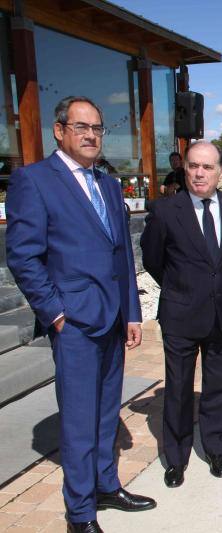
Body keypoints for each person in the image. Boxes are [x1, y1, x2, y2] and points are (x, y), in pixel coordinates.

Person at [5, 96, 155, 532]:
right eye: (81, 126)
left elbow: (122, 255)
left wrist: (131, 311)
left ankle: (106, 486)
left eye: (97, 128)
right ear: (59, 130)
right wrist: (55, 313)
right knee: (77, 420)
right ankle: (80, 513)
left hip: (112, 318)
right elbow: (23, 257)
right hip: (73, 322)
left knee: (108, 410)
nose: (90, 135)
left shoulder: (107, 184)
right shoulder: (34, 181)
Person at [140, 141, 222, 489]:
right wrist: (182, 289)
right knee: (178, 389)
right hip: (181, 315)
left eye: (207, 167)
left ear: (221, 171)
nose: (200, 173)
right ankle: (176, 458)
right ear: (184, 169)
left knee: (218, 387)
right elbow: (153, 260)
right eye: (193, 166)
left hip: (221, 315)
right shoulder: (165, 210)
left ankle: (215, 449)